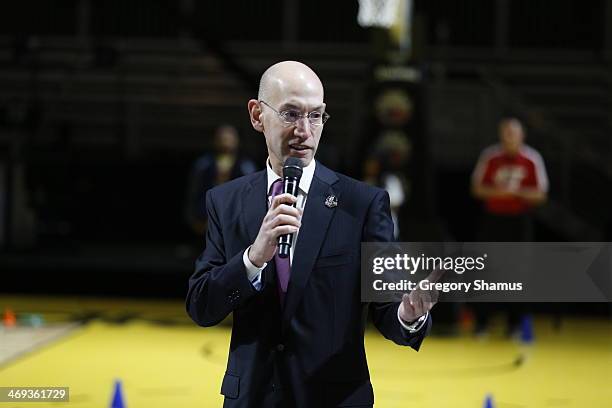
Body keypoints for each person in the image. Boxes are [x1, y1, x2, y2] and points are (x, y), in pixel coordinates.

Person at [186, 61, 435, 408]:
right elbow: (201, 306)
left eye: (315, 116)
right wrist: (253, 258)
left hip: (334, 399)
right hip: (252, 399)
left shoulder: (362, 204)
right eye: (290, 114)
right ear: (258, 116)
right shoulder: (225, 202)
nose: (304, 131)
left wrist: (409, 314)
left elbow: (387, 309)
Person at [471, 117, 549, 335]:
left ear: (521, 136)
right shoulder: (490, 156)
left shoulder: (532, 158)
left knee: (518, 273)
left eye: (513, 134)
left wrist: (516, 193)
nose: (509, 138)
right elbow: (477, 189)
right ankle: (482, 323)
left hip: (519, 220)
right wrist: (500, 193)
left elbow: (541, 194)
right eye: (506, 133)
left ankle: (514, 325)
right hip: (493, 219)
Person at [185, 125, 257, 236]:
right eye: (222, 138)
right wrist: (195, 218)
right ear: (215, 141)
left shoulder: (245, 166)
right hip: (207, 217)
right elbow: (194, 192)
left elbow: (251, 196)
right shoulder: (204, 165)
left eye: (229, 138)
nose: (226, 142)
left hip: (236, 218)